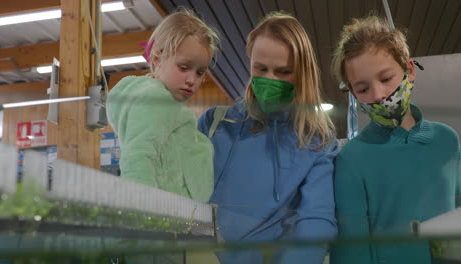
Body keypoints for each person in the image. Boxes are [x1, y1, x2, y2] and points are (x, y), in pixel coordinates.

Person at [198, 12, 338, 263]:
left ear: (302, 73)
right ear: (249, 62)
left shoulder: (317, 140)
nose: (270, 79)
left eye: (283, 71)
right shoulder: (215, 124)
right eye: (260, 68)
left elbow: (316, 222)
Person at [330, 16, 461, 264]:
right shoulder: (351, 159)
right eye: (363, 88)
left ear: (409, 71)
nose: (378, 95)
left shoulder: (447, 142)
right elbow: (351, 251)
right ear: (353, 94)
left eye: (386, 78)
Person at [106, 9, 219, 202]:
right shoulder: (155, 100)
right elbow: (139, 156)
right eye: (184, 68)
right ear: (157, 58)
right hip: (165, 216)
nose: (192, 80)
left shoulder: (164, 105)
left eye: (200, 73)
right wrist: (143, 213)